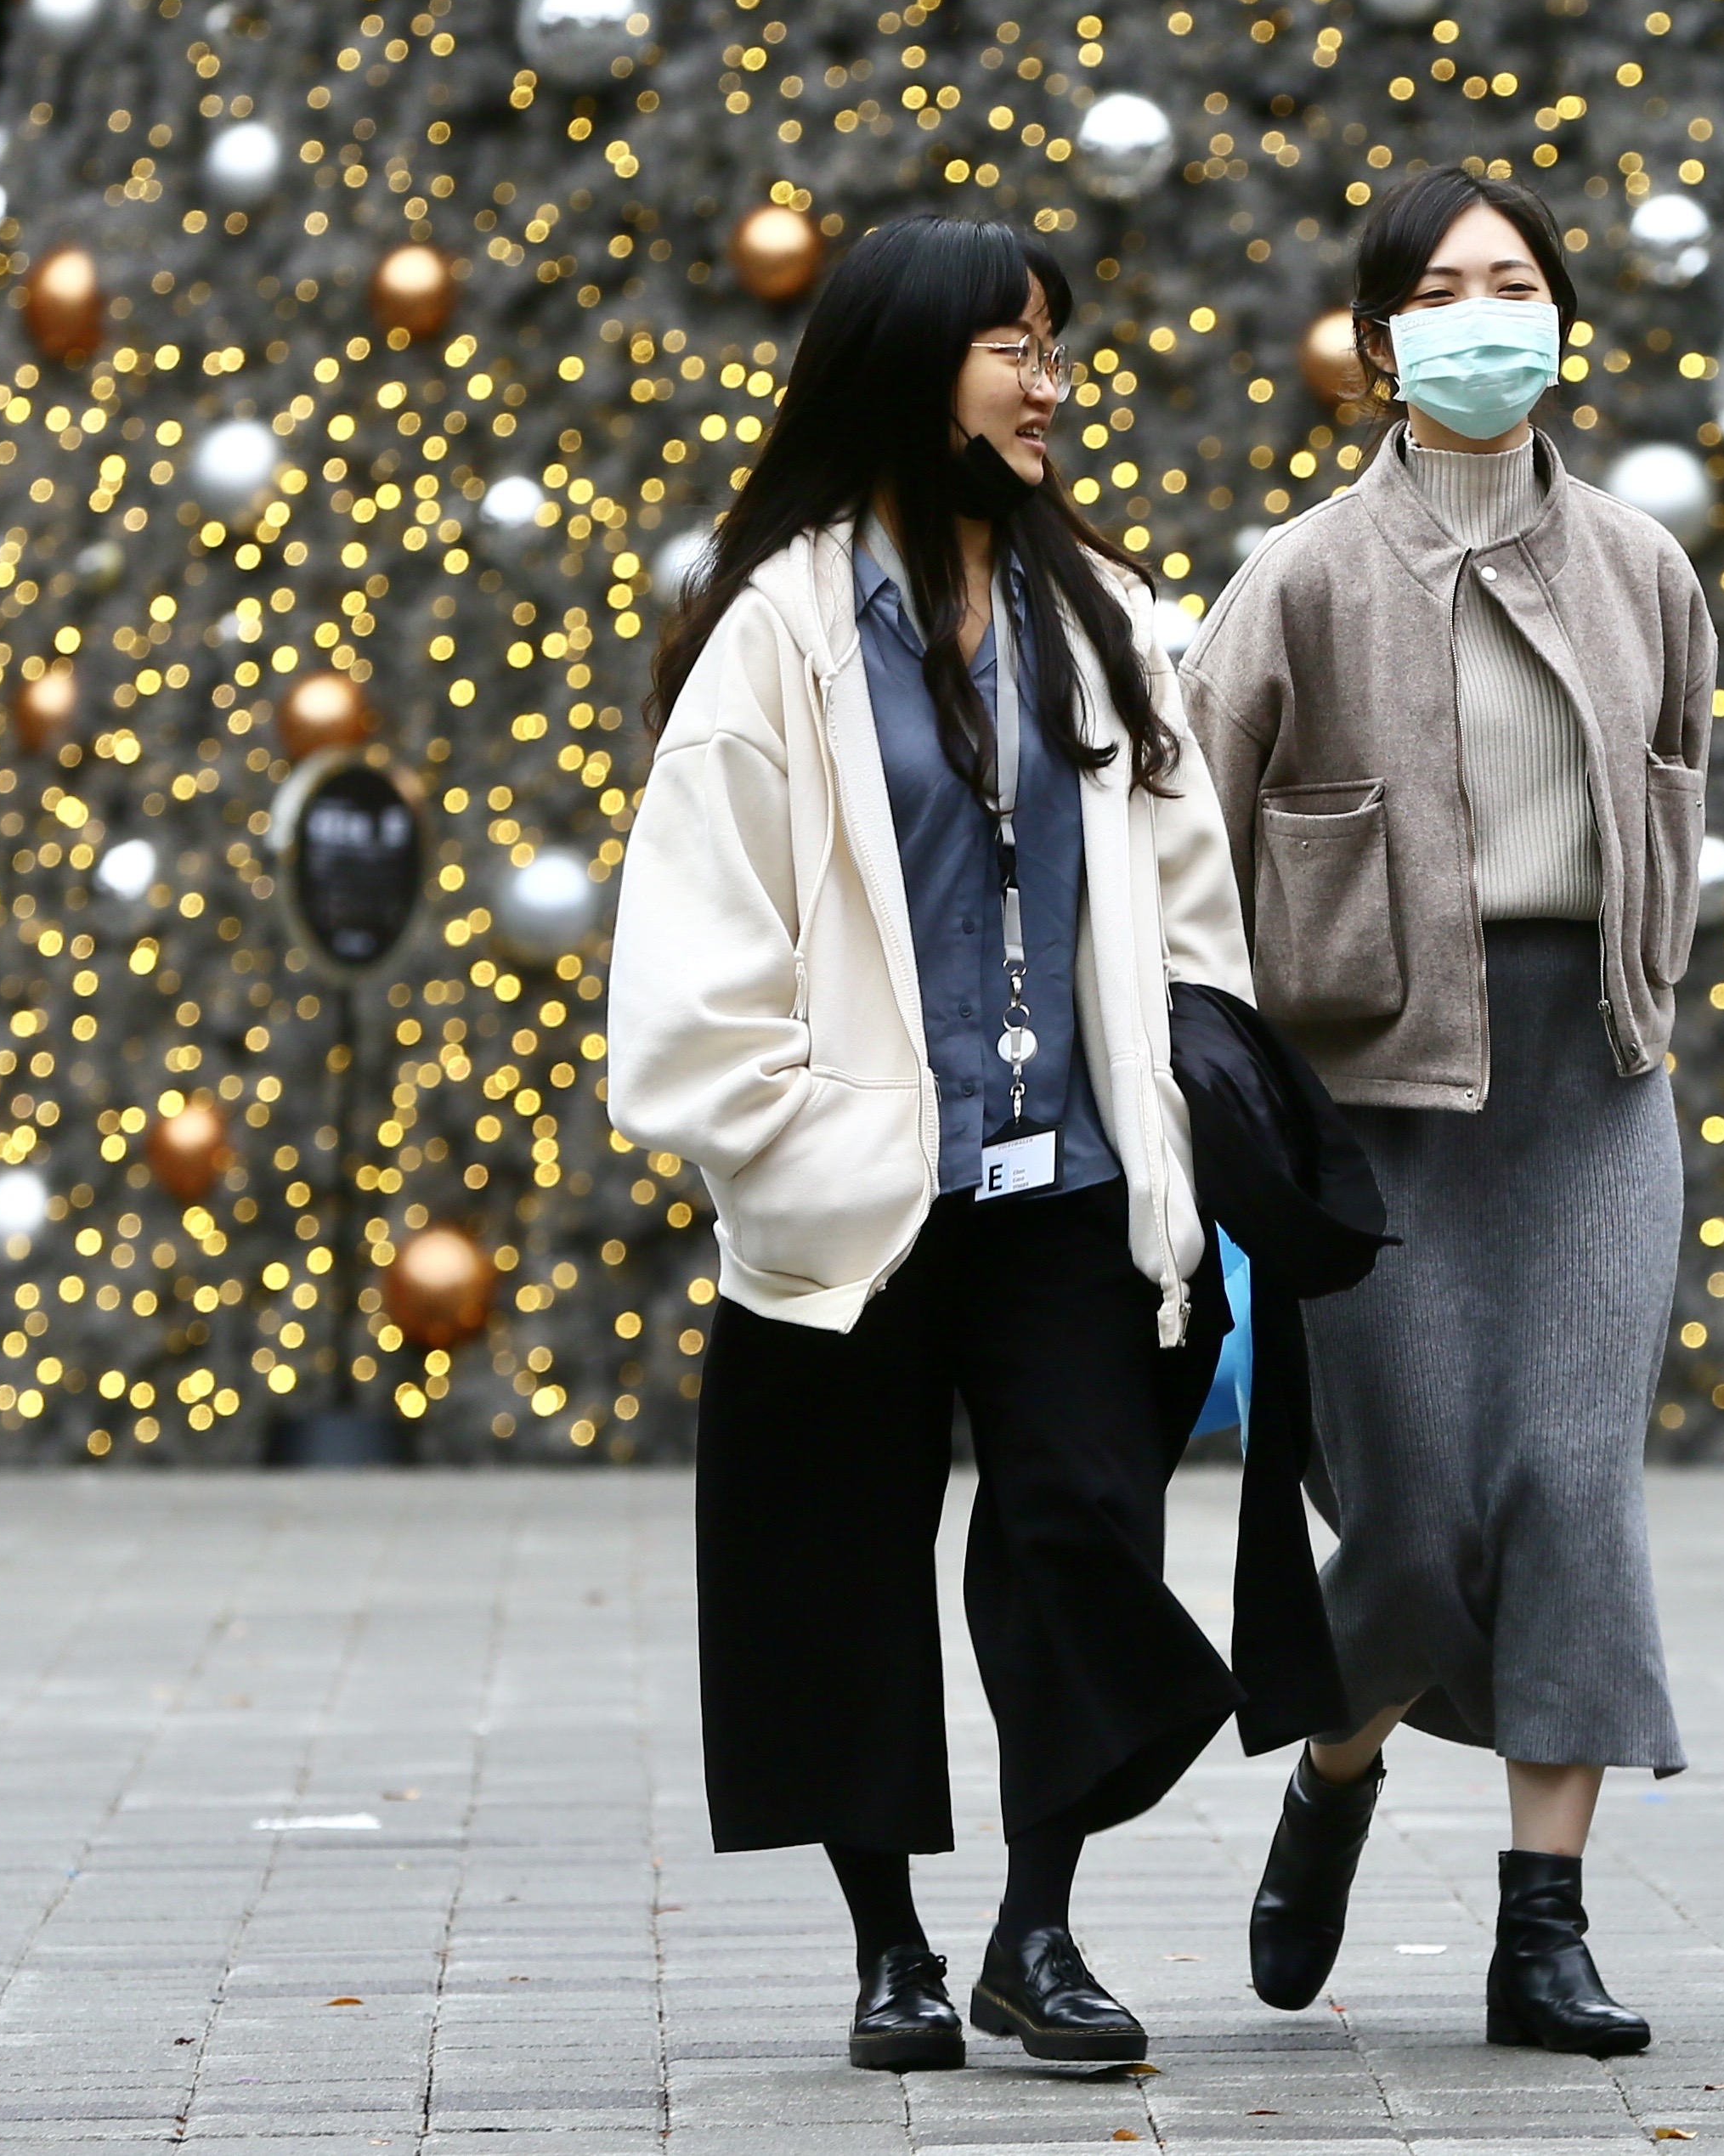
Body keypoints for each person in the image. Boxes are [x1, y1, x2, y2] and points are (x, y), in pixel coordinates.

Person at [607, 217, 1249, 2074]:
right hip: (856, 1197)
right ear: (907, 365)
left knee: (1079, 1536)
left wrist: (1179, 1115)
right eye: (1014, 345)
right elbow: (694, 936)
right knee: (832, 1565)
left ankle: (1033, 1937)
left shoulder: (1109, 615)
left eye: (1057, 346)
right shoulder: (779, 629)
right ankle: (889, 1947)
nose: (1052, 382)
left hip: (1068, 1188)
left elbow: (1188, 899)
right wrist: (794, 1148)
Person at [1183, 163, 1718, 2056]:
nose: (1483, 312)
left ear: (1559, 317)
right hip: (1373, 1099)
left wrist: (1637, 998)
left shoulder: (1647, 564)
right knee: (1410, 1524)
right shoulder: (1305, 574)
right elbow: (1189, 830)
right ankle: (1337, 1768)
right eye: (1442, 286)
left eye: (1515, 281)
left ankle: (1542, 1925)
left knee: (1567, 1484)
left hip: (1588, 1082)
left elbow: (1670, 798)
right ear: (1380, 338)